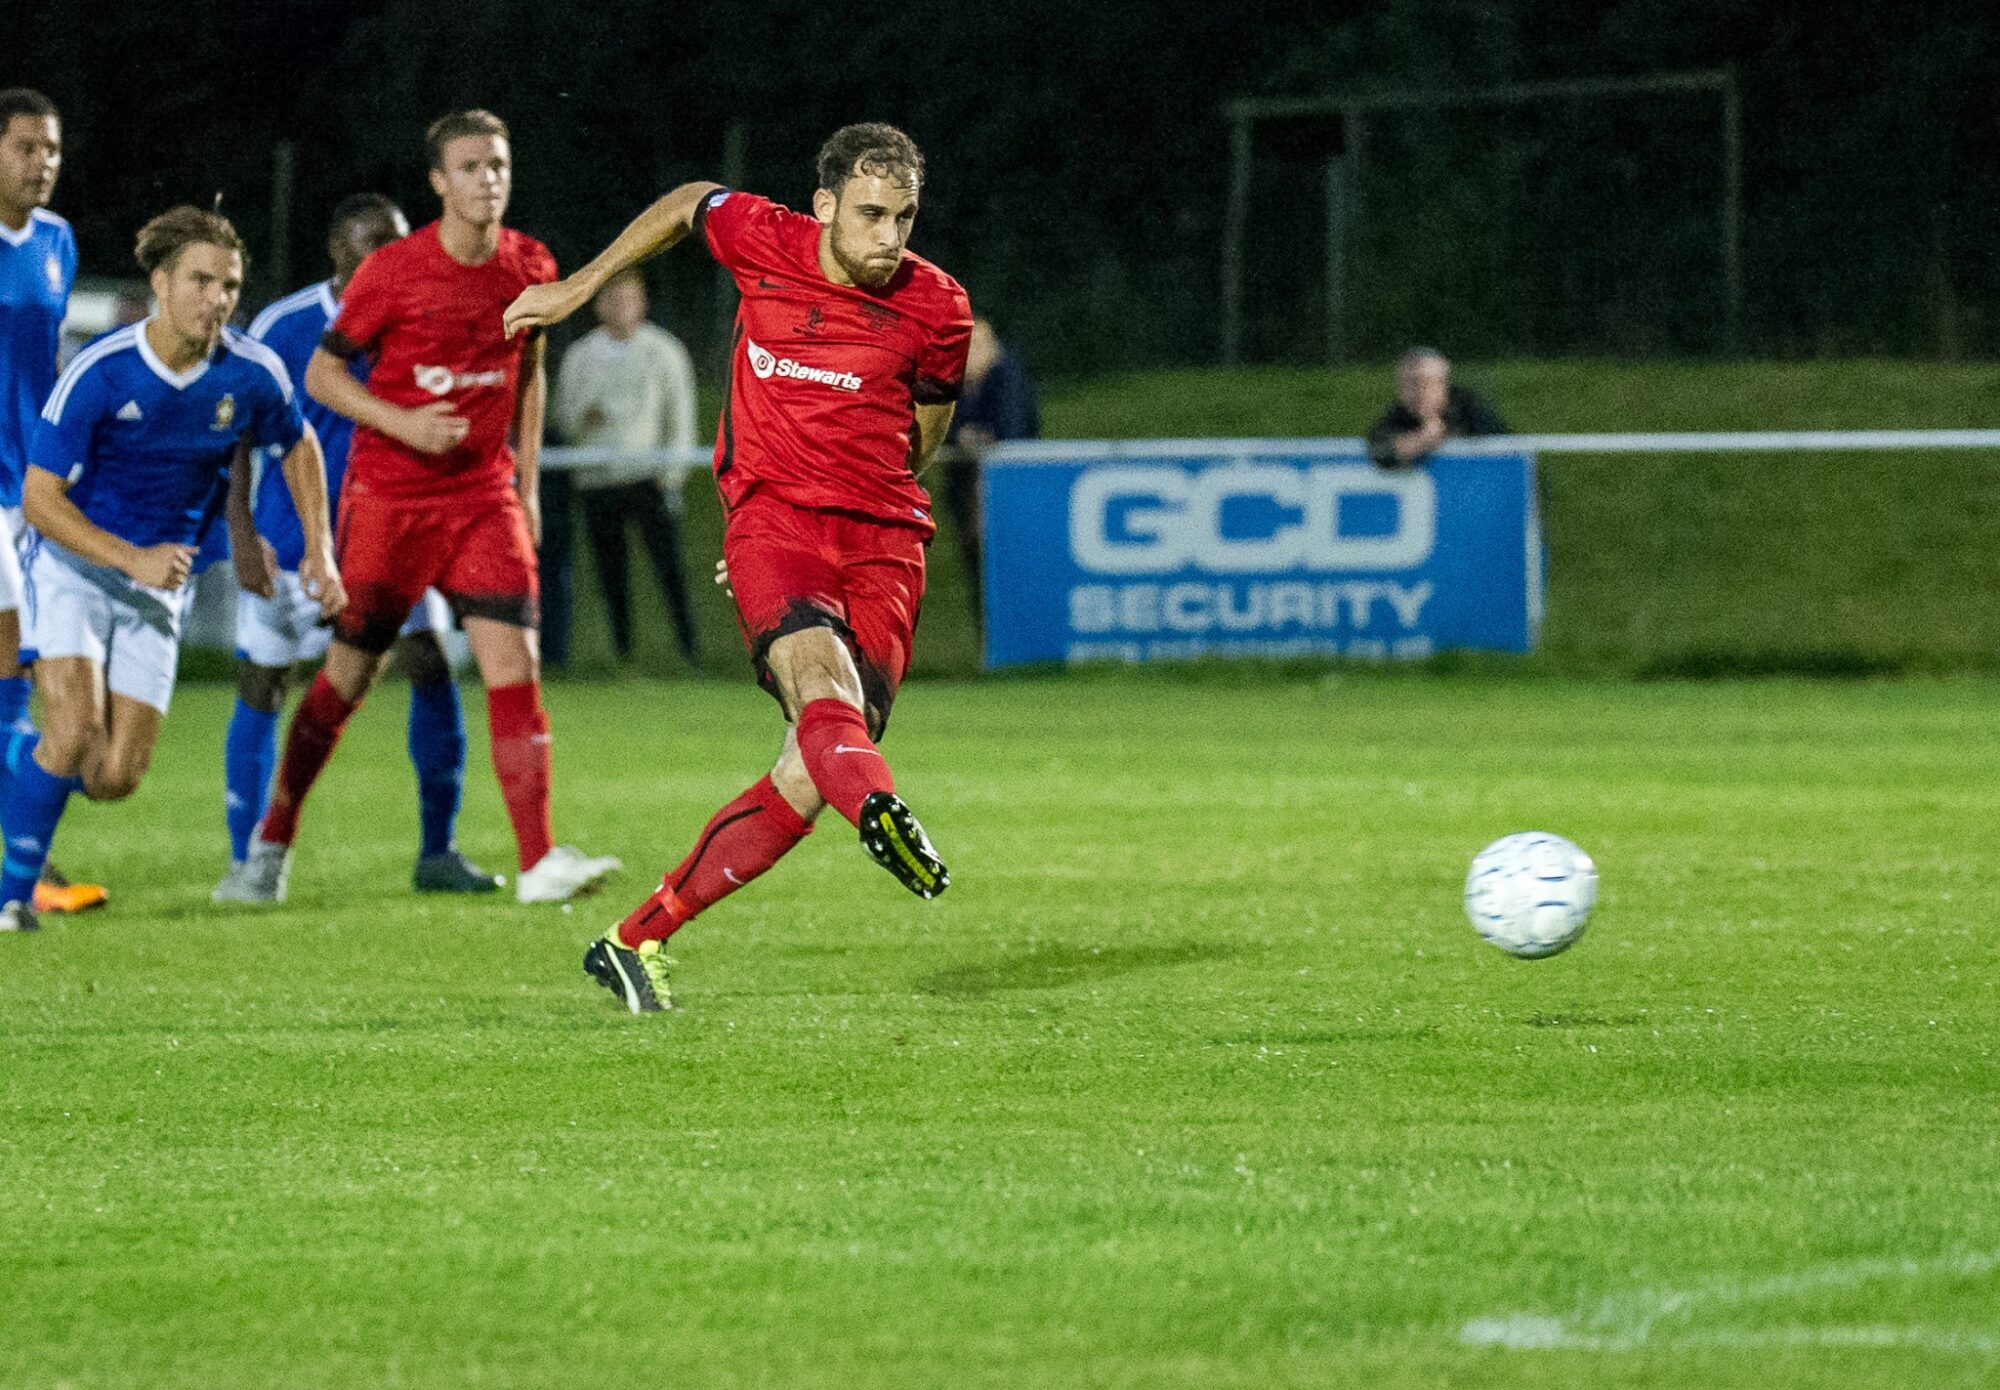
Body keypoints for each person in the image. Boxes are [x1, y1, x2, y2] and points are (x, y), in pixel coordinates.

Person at [505, 121, 972, 1014]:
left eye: (904, 219)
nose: (888, 238)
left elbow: (928, 429)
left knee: (814, 766)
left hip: (884, 543)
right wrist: (576, 288)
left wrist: (866, 492)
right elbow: (688, 203)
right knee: (823, 697)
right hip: (775, 525)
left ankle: (633, 940)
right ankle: (885, 814)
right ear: (826, 206)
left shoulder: (940, 307)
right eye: (871, 215)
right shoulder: (768, 241)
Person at [235, 110, 619, 906]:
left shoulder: (531, 263)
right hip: (391, 501)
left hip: (482, 497)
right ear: (440, 182)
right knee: (347, 676)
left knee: (515, 664)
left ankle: (539, 858)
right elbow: (321, 377)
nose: (489, 179)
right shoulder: (393, 273)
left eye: (499, 164)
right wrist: (402, 420)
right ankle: (271, 844)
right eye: (471, 166)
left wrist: (530, 483)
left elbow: (532, 371)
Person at [0, 207, 342, 933]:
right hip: (74, 566)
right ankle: (12, 896)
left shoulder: (250, 373)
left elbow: (298, 443)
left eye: (230, 284)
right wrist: (132, 558)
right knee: (72, 729)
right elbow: (39, 499)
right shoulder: (103, 369)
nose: (217, 298)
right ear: (160, 283)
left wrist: (319, 548)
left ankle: (21, 767)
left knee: (115, 775)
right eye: (200, 280)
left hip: (161, 589)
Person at [212, 194, 499, 902]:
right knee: (264, 687)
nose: (387, 256)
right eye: (371, 244)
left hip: (392, 539)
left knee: (430, 663)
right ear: (336, 252)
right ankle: (249, 859)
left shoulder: (419, 311)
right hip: (291, 548)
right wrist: (242, 534)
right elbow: (238, 436)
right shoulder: (285, 327)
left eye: (398, 242)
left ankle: (439, 849)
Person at [0, 87, 107, 919]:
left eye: (53, 151)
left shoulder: (59, 242)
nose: (43, 165)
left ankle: (20, 855)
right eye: (27, 148)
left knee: (20, 673)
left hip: (32, 483)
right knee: (15, 664)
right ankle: (19, 865)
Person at [550, 269, 701, 665]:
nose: (621, 307)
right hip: (598, 479)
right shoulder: (581, 355)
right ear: (599, 305)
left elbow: (680, 419)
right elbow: (565, 418)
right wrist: (586, 418)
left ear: (642, 302)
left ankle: (692, 652)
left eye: (629, 298)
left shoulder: (664, 351)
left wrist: (673, 476)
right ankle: (624, 654)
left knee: (669, 569)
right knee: (611, 572)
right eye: (613, 299)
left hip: (649, 477)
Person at [941, 315, 1038, 624]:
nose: (967, 357)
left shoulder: (1007, 376)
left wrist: (983, 437)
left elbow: (1015, 429)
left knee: (1013, 565)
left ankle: (1018, 638)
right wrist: (961, 436)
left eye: (976, 348)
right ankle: (989, 637)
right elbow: (937, 429)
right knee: (977, 566)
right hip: (966, 490)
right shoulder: (952, 384)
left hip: (1008, 491)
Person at [1365, 347, 1507, 469]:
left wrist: (1450, 433)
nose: (1418, 393)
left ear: (1443, 384)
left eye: (1424, 383)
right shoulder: (1398, 415)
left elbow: (1505, 447)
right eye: (1408, 385)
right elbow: (1379, 451)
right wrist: (1422, 440)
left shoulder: (1468, 407)